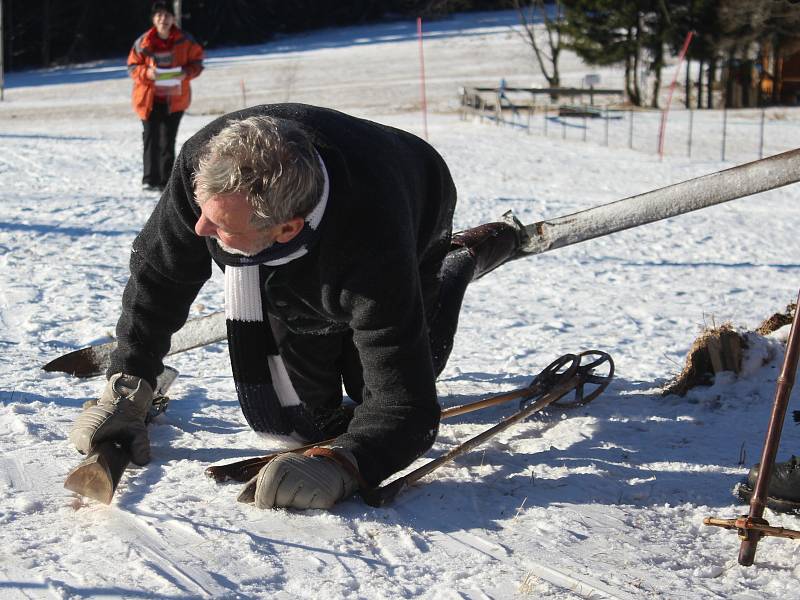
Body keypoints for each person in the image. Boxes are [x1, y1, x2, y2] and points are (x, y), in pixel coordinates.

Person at [69, 103, 527, 510]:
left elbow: (406, 407)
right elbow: (160, 277)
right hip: (310, 215)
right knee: (312, 416)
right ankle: (313, 313)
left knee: (379, 378)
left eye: (220, 225)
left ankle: (460, 260)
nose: (200, 228)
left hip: (413, 188)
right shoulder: (205, 167)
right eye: (203, 210)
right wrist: (130, 382)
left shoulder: (374, 248)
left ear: (286, 229)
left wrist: (347, 463)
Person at [128, 2, 204, 192]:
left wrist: (186, 72)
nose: (163, 19)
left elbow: (198, 62)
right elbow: (132, 67)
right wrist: (148, 74)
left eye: (167, 15)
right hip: (149, 99)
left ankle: (165, 180)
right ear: (154, 19)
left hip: (175, 99)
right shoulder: (143, 42)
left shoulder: (185, 40)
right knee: (150, 139)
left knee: (168, 140)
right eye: (159, 15)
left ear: (173, 18)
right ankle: (149, 179)